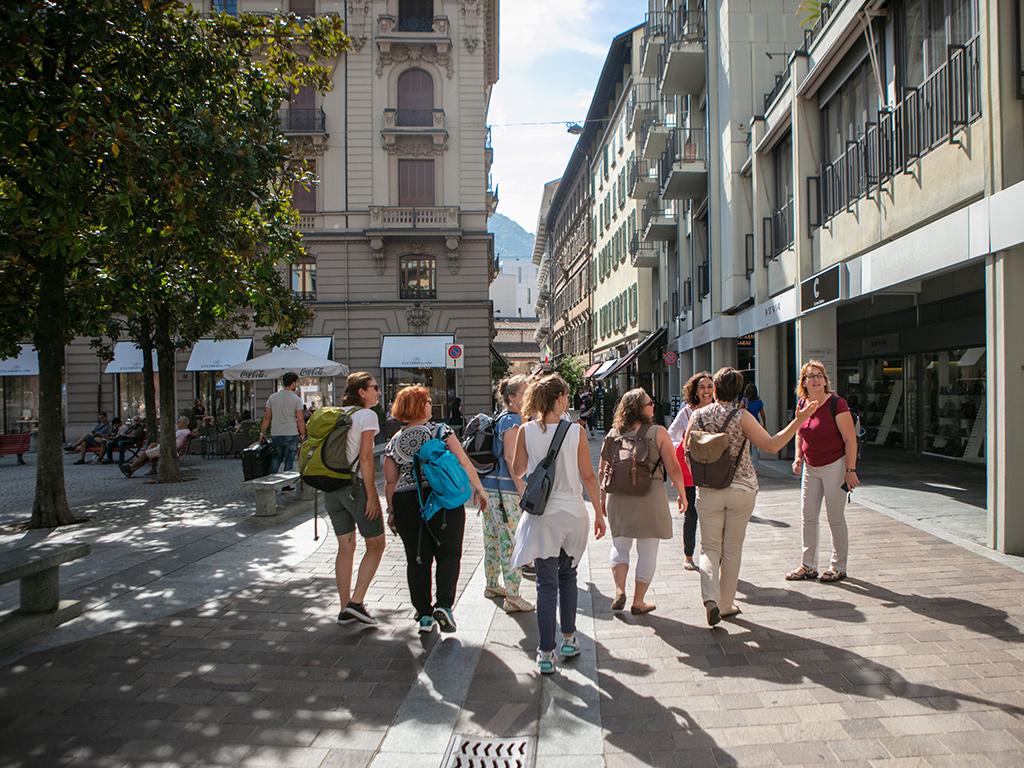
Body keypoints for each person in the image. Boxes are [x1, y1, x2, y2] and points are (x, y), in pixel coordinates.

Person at [683, 367, 819, 626]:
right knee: (732, 549)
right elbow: (771, 444)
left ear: (715, 389)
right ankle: (725, 605)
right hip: (741, 487)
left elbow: (687, 447)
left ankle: (709, 598)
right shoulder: (742, 416)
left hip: (708, 489)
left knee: (709, 548)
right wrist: (799, 420)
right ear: (739, 392)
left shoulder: (697, 415)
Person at [511, 375, 607, 676]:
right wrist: (600, 513)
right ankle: (568, 640)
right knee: (568, 576)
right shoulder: (575, 431)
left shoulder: (525, 430)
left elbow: (518, 470)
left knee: (545, 583)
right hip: (573, 511)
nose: (569, 399)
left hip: (542, 516)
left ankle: (545, 654)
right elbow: (588, 476)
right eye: (567, 394)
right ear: (560, 398)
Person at [384, 386, 488, 634]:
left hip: (407, 501)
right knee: (449, 553)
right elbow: (462, 459)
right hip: (442, 498)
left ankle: (423, 614)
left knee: (417, 558)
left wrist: (391, 511)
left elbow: (390, 480)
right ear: (419, 406)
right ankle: (444, 605)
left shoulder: (395, 440)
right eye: (428, 401)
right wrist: (479, 489)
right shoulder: (441, 431)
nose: (431, 404)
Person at [600, 389, 688, 615]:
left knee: (620, 545)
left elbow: (603, 469)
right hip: (649, 494)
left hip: (617, 496)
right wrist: (682, 493)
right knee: (648, 550)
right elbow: (673, 466)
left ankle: (619, 589)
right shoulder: (657, 432)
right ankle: (638, 601)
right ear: (640, 408)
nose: (653, 406)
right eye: (650, 403)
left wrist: (602, 499)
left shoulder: (613, 433)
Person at [785, 360, 860, 584]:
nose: (815, 379)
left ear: (825, 380)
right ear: (804, 382)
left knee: (834, 516)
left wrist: (850, 470)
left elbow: (850, 439)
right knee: (808, 516)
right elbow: (799, 431)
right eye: (810, 376)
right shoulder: (803, 403)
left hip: (835, 466)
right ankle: (808, 565)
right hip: (811, 467)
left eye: (819, 375)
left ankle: (838, 566)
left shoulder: (836, 404)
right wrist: (798, 457)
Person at [329, 372, 387, 626]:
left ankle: (345, 608)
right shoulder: (367, 415)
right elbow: (365, 458)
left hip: (331, 487)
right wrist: (373, 496)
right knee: (376, 544)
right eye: (374, 387)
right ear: (361, 392)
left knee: (345, 547)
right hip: (355, 487)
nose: (378, 392)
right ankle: (356, 602)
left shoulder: (338, 415)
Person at [479, 375, 534, 613]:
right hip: (506, 490)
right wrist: (522, 488)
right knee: (512, 541)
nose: (528, 395)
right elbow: (512, 460)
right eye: (524, 392)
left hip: (491, 487)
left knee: (492, 538)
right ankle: (513, 595)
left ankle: (492, 585)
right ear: (512, 398)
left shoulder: (500, 417)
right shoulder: (512, 421)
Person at [667, 371, 713, 570]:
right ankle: (688, 555)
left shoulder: (718, 410)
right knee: (692, 514)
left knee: (712, 514)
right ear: (695, 390)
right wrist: (685, 447)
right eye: (702, 387)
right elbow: (671, 435)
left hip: (713, 470)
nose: (706, 391)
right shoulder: (687, 412)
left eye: (710, 386)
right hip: (692, 470)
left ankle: (711, 555)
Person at [260, 372, 307, 480]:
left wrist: (262, 432)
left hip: (276, 433)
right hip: (291, 433)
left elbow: (267, 418)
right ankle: (287, 485)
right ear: (293, 383)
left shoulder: (272, 397)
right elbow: (300, 420)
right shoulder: (296, 399)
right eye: (296, 383)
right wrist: (303, 434)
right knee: (289, 460)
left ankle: (270, 482)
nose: (296, 385)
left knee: (276, 459)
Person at [119, 416, 195, 477]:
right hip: (170, 449)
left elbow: (168, 439)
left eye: (179, 422)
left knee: (146, 454)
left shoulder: (181, 432)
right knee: (149, 452)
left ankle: (130, 467)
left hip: (167, 450)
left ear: (184, 423)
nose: (177, 423)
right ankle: (131, 469)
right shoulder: (186, 431)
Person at [740, 383, 766, 468]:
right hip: (756, 424)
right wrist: (764, 424)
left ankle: (746, 465)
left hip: (745, 424)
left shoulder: (744, 400)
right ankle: (755, 467)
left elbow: (739, 411)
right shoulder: (759, 402)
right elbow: (763, 414)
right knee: (755, 447)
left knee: (745, 446)